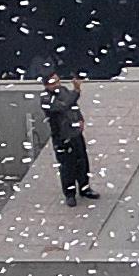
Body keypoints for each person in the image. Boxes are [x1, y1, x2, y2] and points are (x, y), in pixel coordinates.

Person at [44, 74, 95, 205]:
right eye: (53, 83)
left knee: (82, 162)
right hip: (62, 137)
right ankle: (70, 194)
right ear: (46, 85)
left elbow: (73, 106)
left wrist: (80, 119)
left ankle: (85, 187)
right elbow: (63, 105)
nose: (56, 84)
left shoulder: (64, 91)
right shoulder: (45, 98)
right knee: (67, 166)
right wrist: (76, 91)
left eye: (57, 81)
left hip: (75, 134)